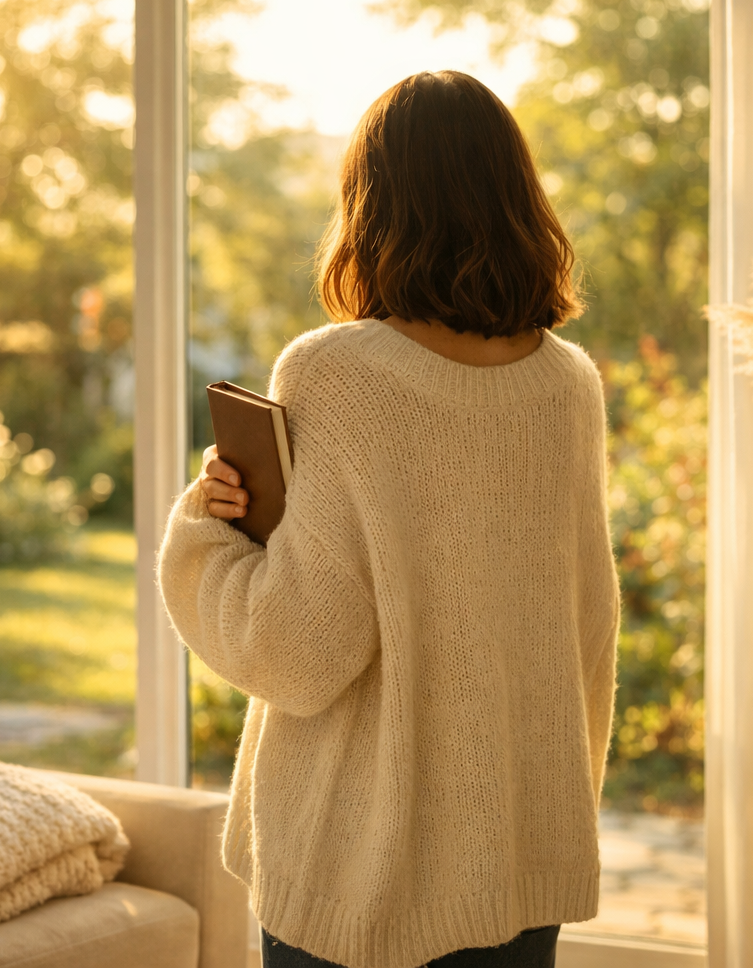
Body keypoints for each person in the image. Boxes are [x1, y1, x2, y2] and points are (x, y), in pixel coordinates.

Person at [157, 70, 619, 968]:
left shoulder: (336, 374)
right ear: (516, 199)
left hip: (357, 880)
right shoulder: (569, 387)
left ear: (373, 206)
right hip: (520, 855)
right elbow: (588, 630)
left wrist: (205, 528)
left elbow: (299, 647)